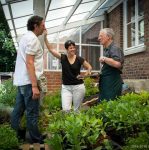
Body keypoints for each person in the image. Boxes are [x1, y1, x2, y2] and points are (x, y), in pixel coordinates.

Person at [11, 15, 46, 143]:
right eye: (42, 25)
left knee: (18, 110)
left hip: (22, 81)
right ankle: (36, 139)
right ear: (35, 26)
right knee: (32, 112)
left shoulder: (25, 38)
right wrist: (34, 86)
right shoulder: (33, 40)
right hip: (28, 81)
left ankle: (15, 136)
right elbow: (30, 63)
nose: (44, 27)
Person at [44, 31, 92, 112]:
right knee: (66, 109)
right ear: (66, 49)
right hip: (66, 87)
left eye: (74, 47)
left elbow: (89, 67)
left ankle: (76, 124)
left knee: (77, 110)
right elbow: (51, 49)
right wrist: (45, 37)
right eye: (70, 48)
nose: (73, 49)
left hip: (78, 87)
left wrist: (86, 74)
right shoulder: (63, 58)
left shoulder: (79, 59)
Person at [98, 28, 124, 101]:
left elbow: (118, 64)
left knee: (110, 105)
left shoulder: (114, 48)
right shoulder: (107, 49)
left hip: (112, 83)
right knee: (104, 105)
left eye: (101, 36)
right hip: (106, 83)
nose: (98, 38)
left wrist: (104, 59)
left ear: (108, 37)